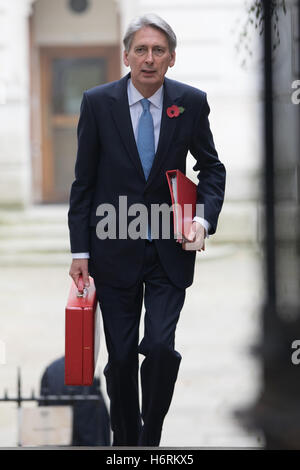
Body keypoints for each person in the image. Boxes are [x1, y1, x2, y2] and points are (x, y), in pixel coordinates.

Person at [68, 13, 226, 447]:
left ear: (172, 58)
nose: (149, 58)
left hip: (169, 252)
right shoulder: (98, 103)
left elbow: (211, 168)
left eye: (159, 50)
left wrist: (202, 219)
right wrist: (80, 252)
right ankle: (125, 441)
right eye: (141, 49)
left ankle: (150, 435)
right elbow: (83, 184)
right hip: (112, 250)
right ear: (126, 55)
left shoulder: (190, 103)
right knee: (120, 358)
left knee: (158, 347)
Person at [39, 356, 111, 446]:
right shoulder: (85, 369)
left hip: (58, 436)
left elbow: (42, 410)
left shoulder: (51, 369)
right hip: (87, 437)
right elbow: (101, 414)